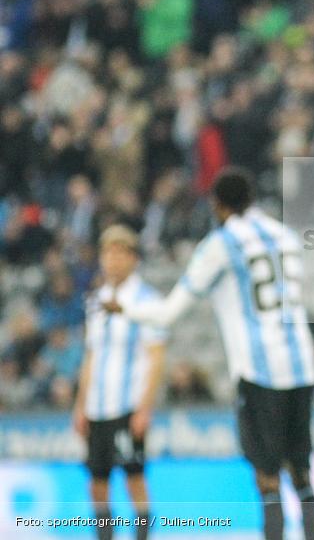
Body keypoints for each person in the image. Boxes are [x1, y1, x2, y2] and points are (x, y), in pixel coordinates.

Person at [103, 168, 314, 540]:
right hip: (302, 367)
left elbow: (170, 312)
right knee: (301, 472)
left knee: (266, 477)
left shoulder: (221, 243)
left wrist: (125, 309)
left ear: (217, 205)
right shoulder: (285, 235)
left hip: (260, 372)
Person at [73, 225, 167, 540]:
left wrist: (144, 408)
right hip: (98, 407)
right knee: (97, 483)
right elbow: (90, 355)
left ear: (132, 258)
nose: (112, 261)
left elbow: (155, 356)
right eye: (107, 253)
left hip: (128, 406)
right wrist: (80, 404)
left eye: (119, 253)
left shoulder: (147, 300)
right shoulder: (96, 300)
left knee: (134, 478)